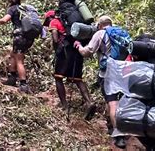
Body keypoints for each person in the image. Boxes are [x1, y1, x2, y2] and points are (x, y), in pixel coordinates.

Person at [74, 15, 127, 149]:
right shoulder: (121, 33)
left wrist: (79, 46)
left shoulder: (100, 33)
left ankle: (119, 136)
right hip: (123, 71)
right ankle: (112, 125)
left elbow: (88, 51)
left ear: (100, 25)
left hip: (107, 73)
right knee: (115, 100)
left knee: (112, 102)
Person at [43, 10, 96, 120]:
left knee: (58, 78)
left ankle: (64, 106)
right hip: (77, 50)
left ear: (49, 18)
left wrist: (57, 50)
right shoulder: (71, 23)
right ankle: (89, 102)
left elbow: (55, 38)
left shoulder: (54, 22)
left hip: (65, 52)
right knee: (77, 79)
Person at [0, 0, 33, 93]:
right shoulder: (24, 9)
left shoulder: (13, 8)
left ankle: (23, 84)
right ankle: (12, 78)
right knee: (13, 55)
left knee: (19, 60)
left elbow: (5, 20)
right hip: (29, 37)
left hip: (20, 36)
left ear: (10, 2)